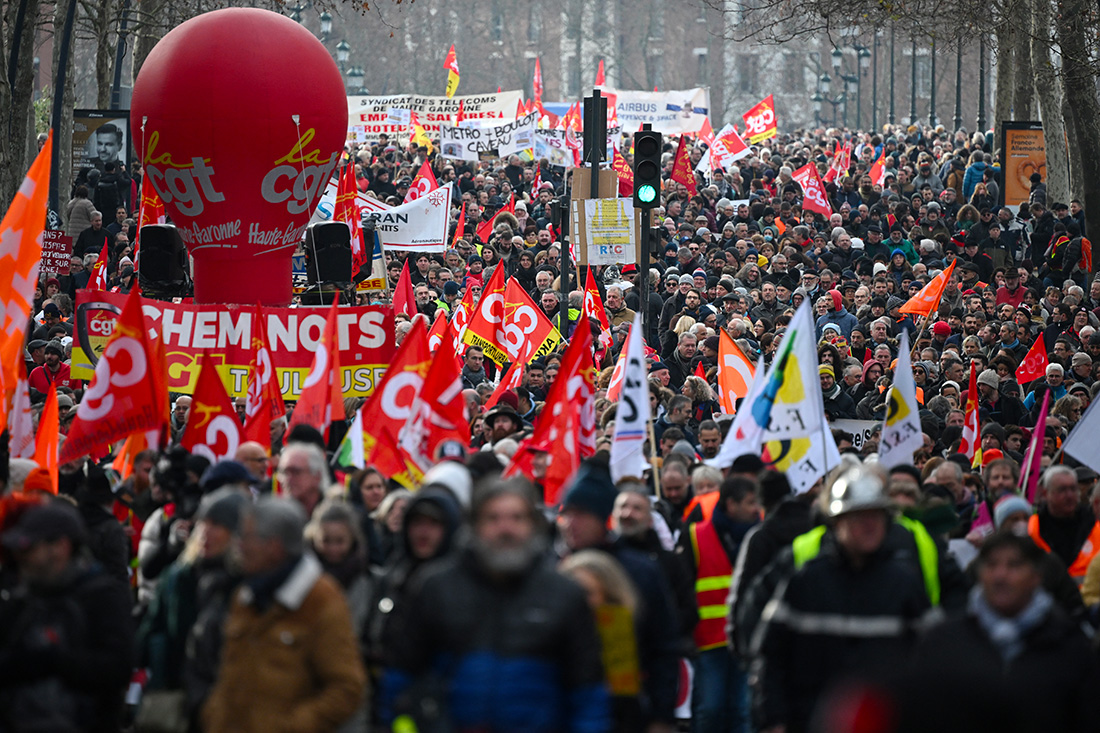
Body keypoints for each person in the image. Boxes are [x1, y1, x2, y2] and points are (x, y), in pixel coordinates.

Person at [380, 477, 610, 732]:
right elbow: (400, 679)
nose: (505, 529)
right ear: (475, 525)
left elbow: (588, 692)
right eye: (493, 518)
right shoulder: (436, 587)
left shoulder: (564, 594)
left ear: (532, 526)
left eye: (516, 518)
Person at [751, 465, 937, 733]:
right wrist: (774, 721)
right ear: (838, 522)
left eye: (876, 515)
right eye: (859, 516)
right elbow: (770, 657)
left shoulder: (904, 584)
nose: (870, 524)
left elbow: (929, 664)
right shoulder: (806, 582)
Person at [202, 497, 366, 732]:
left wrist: (290, 727)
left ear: (274, 547)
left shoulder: (322, 601)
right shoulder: (246, 596)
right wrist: (216, 716)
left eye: (248, 538)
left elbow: (346, 689)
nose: (240, 546)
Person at [912, 532, 1100, 733]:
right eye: (992, 565)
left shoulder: (1070, 648)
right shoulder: (943, 644)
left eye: (1014, 565)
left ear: (1036, 577)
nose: (1000, 576)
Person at [558, 461, 680, 731]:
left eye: (581, 514)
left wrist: (661, 717)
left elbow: (663, 648)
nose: (570, 523)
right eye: (567, 514)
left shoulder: (639, 571)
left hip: (624, 713)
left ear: (602, 518)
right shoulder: (551, 570)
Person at [0, 500, 135, 732]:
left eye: (29, 547)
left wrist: (54, 661)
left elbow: (117, 667)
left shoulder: (100, 597)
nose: (21, 557)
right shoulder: (21, 601)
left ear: (60, 547)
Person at [678, 475, 760, 733]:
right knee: (710, 710)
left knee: (741, 711)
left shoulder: (759, 537)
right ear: (731, 504)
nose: (755, 508)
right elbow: (683, 588)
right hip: (709, 639)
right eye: (749, 502)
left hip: (746, 639)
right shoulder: (695, 536)